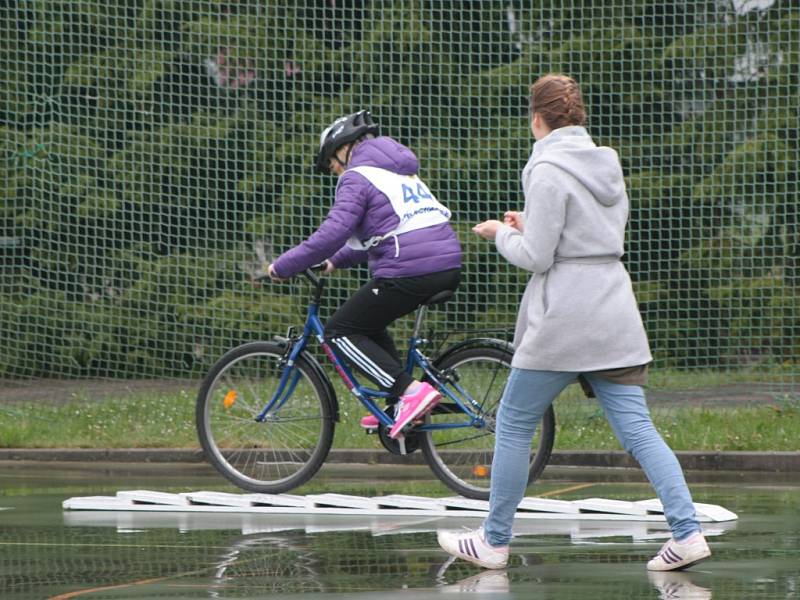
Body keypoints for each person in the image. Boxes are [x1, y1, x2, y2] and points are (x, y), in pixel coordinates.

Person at [437, 74, 710, 572]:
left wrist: (501, 233)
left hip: (564, 317)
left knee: (516, 424)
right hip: (613, 309)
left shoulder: (545, 169)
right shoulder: (605, 163)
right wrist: (529, 224)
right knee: (640, 431)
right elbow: (584, 233)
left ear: (537, 118)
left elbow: (539, 258)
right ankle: (687, 533)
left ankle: (494, 543)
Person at [268, 110, 462, 439]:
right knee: (367, 323)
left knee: (339, 332)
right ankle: (396, 403)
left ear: (344, 148)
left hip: (410, 269)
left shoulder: (357, 176)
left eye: (332, 162)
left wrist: (284, 264)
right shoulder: (398, 172)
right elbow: (382, 234)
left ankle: (410, 392)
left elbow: (333, 232)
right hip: (444, 263)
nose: (334, 170)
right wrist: (334, 262)